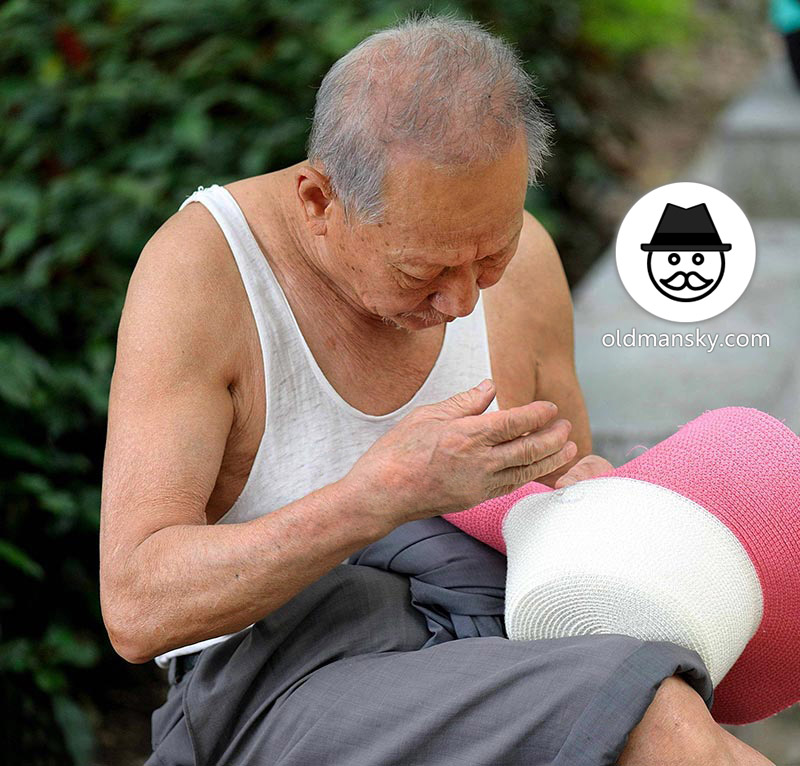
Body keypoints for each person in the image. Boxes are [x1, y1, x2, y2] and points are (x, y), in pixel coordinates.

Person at [99, 11, 773, 766]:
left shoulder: (522, 266)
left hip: (480, 623)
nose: (461, 302)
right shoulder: (206, 273)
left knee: (674, 707)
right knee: (656, 724)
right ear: (319, 202)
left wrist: (585, 497)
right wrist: (378, 495)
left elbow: (563, 500)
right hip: (278, 672)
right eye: (422, 272)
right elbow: (135, 607)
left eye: (492, 254)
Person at [771, 0, 800, 86]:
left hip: (788, 25)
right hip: (790, 24)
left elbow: (775, 9)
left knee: (795, 56)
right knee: (795, 56)